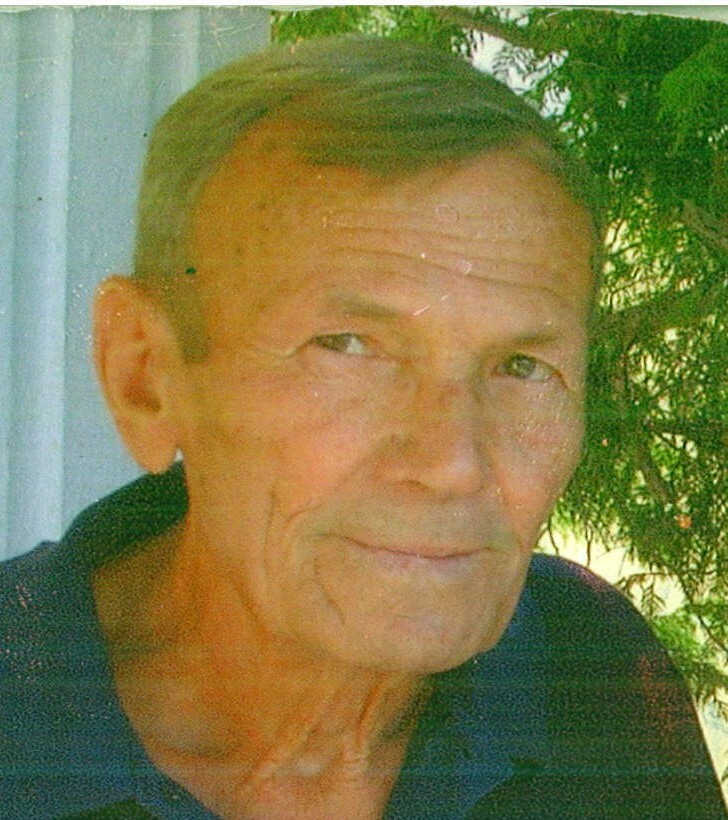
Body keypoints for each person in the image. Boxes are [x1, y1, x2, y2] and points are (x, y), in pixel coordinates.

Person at [0, 36, 723, 819]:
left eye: (520, 366)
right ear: (145, 376)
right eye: (346, 347)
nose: (453, 463)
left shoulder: (584, 673)